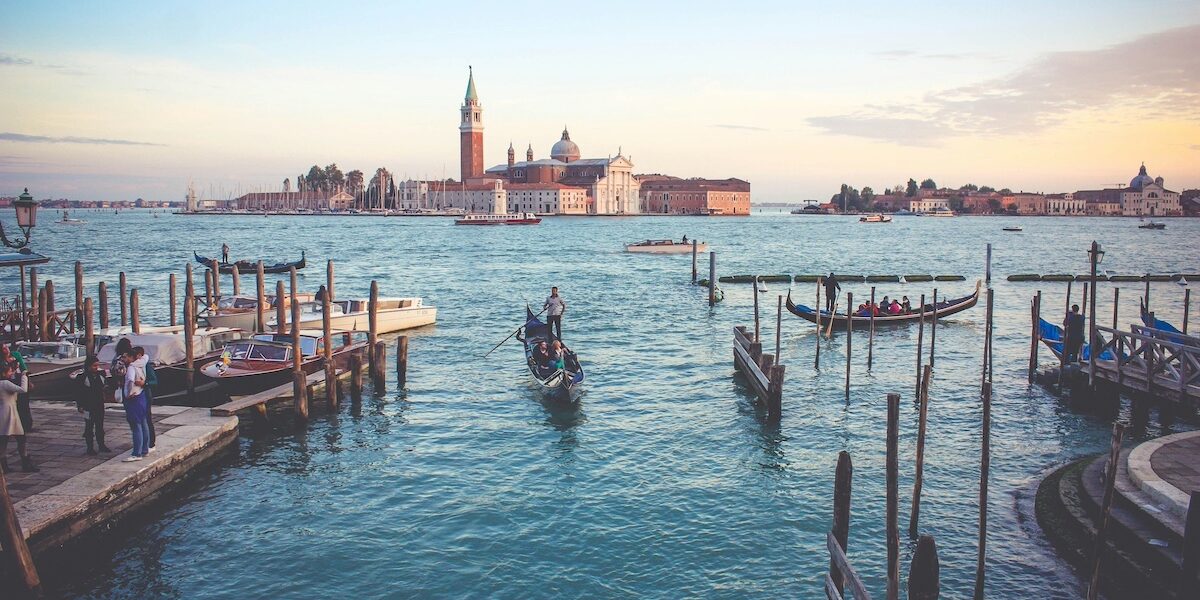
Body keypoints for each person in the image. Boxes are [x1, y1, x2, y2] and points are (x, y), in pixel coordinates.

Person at [0, 365, 36, 473]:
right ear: (3, 373)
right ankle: (25, 463)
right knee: (20, 438)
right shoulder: (5, 384)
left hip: (4, 412)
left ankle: (4, 465)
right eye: (10, 372)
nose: (11, 374)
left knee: (3, 440)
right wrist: (24, 376)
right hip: (10, 412)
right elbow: (23, 390)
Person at [76, 356, 110, 455]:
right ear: (88, 366)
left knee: (100, 426)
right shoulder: (82, 377)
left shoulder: (101, 375)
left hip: (99, 404)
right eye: (94, 365)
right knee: (89, 426)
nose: (96, 367)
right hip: (88, 405)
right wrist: (80, 405)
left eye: (97, 365)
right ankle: (90, 448)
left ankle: (101, 445)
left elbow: (105, 386)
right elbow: (78, 393)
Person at [121, 348, 150, 462]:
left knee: (135, 426)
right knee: (143, 423)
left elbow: (129, 380)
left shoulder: (132, 367)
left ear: (131, 357)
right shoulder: (142, 363)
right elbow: (146, 356)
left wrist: (127, 393)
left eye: (126, 357)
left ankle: (136, 453)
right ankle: (145, 449)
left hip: (133, 397)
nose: (124, 359)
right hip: (141, 395)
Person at [0, 343, 30, 432]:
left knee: (24, 403)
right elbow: (4, 372)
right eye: (4, 348)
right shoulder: (2, 361)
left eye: (6, 347)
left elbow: (23, 367)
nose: (7, 349)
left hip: (18, 379)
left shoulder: (15, 354)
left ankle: (26, 425)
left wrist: (27, 378)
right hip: (9, 382)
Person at [139, 347, 158, 452]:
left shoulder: (146, 366)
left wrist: (145, 383)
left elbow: (154, 381)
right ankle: (143, 442)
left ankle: (151, 443)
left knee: (148, 419)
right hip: (138, 397)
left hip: (146, 395)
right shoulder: (135, 366)